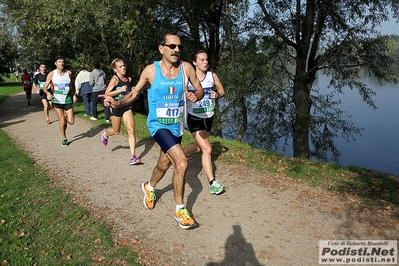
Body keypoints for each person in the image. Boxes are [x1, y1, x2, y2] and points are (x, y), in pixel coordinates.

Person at [102, 31, 204, 229]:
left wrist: (196, 96)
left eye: (179, 47)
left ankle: (149, 187)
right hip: (158, 125)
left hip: (177, 125)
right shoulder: (151, 71)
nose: (176, 50)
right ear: (161, 48)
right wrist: (117, 103)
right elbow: (134, 93)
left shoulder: (187, 68)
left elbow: (199, 89)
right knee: (182, 163)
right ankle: (180, 210)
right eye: (172, 46)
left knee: (164, 165)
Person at [183, 50, 225, 195]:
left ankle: (179, 154)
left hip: (209, 116)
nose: (205, 62)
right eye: (202, 60)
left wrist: (217, 94)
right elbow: (178, 94)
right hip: (194, 118)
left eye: (206, 59)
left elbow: (222, 91)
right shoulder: (188, 79)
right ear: (194, 62)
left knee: (199, 147)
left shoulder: (212, 76)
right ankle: (212, 183)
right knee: (207, 149)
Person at [101, 58, 142, 165]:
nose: (123, 67)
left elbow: (128, 91)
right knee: (116, 131)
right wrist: (120, 90)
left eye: (124, 65)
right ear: (115, 69)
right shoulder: (115, 79)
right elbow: (107, 93)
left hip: (126, 106)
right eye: (120, 66)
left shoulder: (128, 79)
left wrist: (131, 89)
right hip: (115, 107)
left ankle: (133, 157)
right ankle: (105, 133)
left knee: (131, 130)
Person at [43, 56, 77, 146]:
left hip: (67, 99)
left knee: (71, 121)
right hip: (57, 100)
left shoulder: (69, 73)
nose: (61, 63)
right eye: (59, 62)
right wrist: (48, 93)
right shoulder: (52, 74)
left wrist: (74, 94)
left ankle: (64, 120)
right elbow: (44, 87)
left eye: (62, 62)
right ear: (55, 63)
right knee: (61, 120)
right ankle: (64, 138)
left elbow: (73, 84)